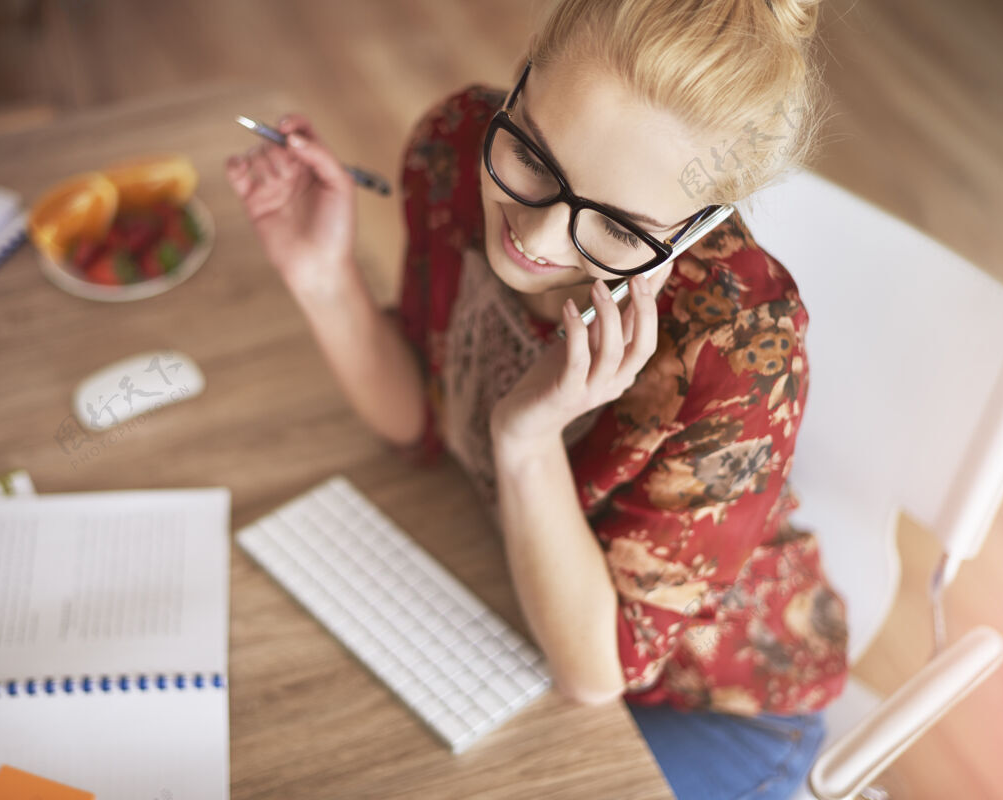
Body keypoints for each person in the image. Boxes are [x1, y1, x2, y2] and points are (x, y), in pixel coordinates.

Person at [225, 0, 849, 796]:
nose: (538, 240)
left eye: (620, 229)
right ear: (521, 79)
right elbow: (421, 420)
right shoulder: (455, 147)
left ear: (698, 228)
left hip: (715, 706)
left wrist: (526, 438)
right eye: (533, 158)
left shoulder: (741, 352)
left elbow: (595, 672)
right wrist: (321, 278)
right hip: (513, 604)